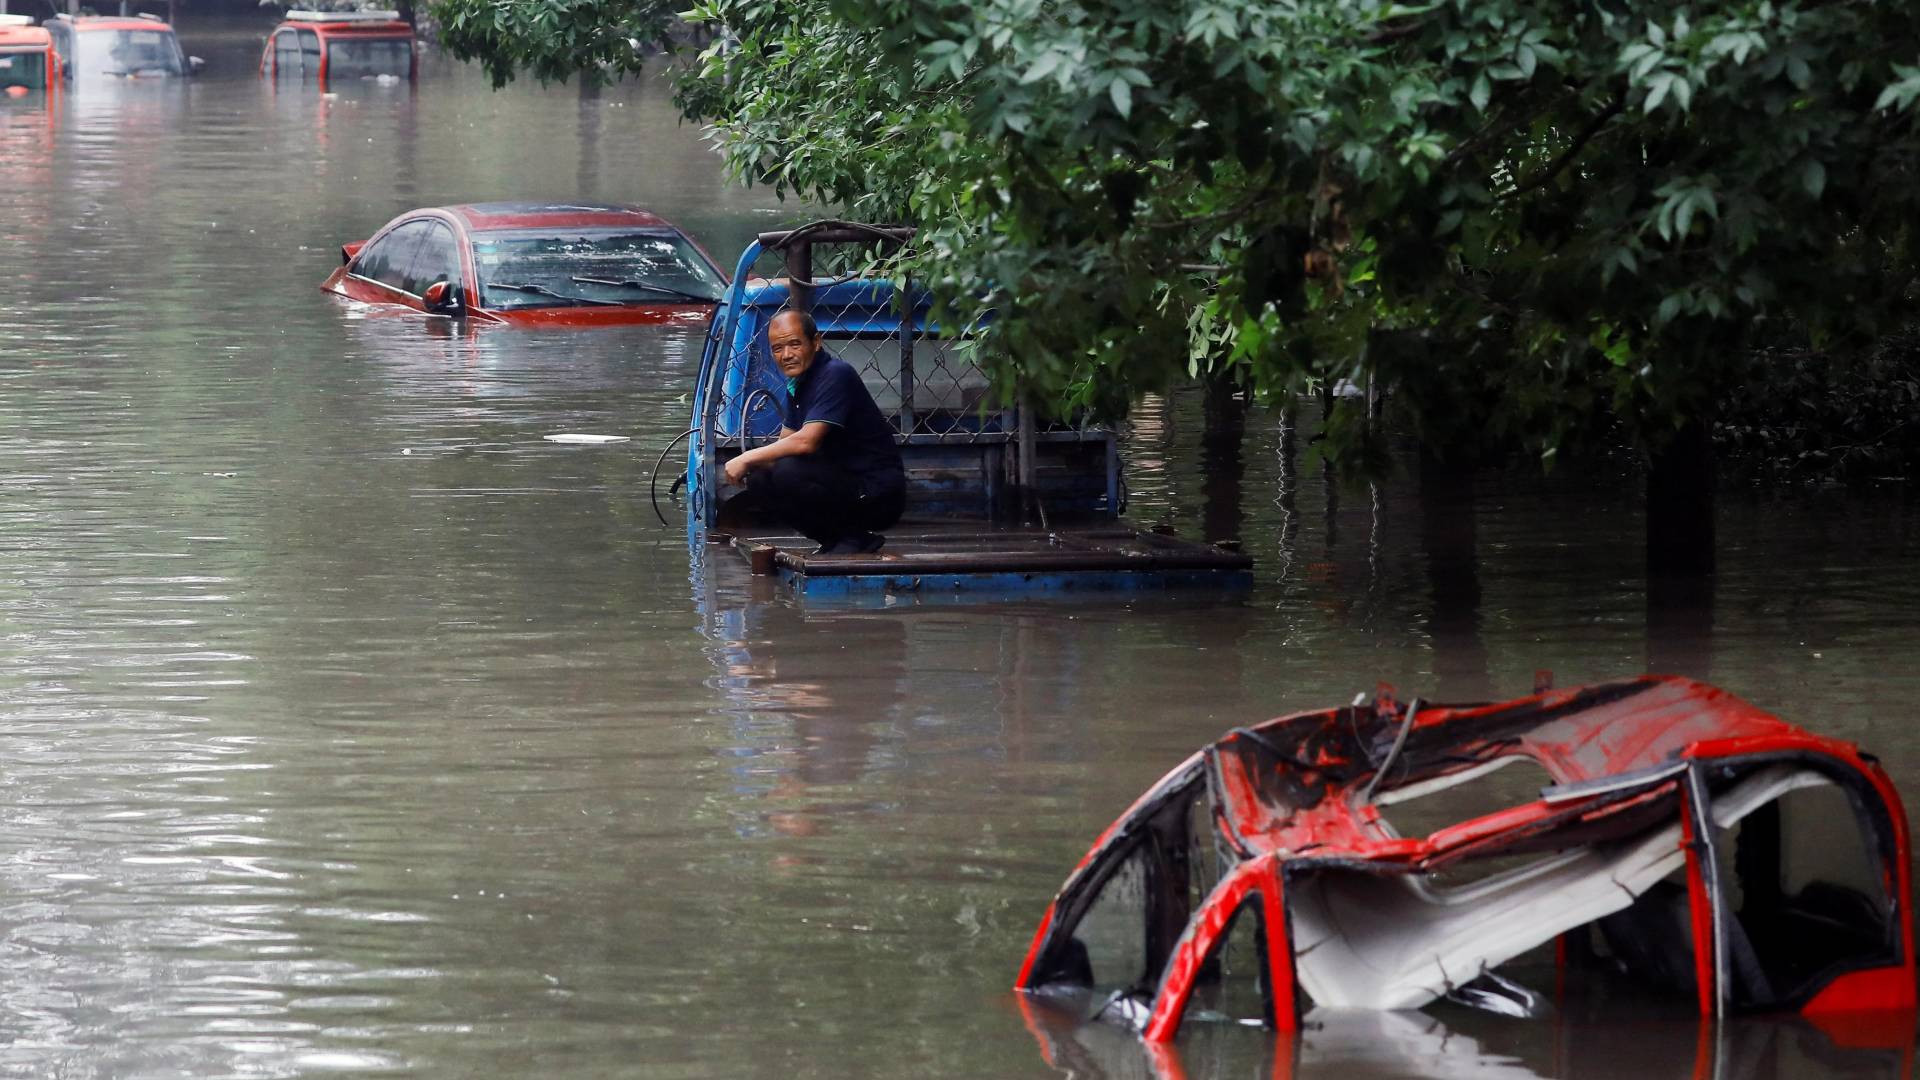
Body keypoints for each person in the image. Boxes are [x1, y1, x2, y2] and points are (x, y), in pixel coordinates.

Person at [722, 309, 906, 554]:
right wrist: (753, 469)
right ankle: (835, 540)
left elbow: (805, 442)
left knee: (787, 471)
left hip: (878, 493)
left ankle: (852, 538)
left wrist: (745, 457)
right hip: (842, 484)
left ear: (816, 342)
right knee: (761, 478)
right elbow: (786, 443)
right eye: (777, 348)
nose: (786, 355)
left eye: (794, 344)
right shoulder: (798, 384)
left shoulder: (836, 374)